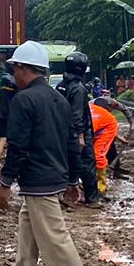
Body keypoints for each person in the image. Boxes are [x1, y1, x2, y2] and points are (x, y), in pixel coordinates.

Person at [0, 41, 101, 266]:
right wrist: (72, 179)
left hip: (37, 182)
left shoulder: (23, 101)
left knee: (57, 243)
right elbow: (71, 142)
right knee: (27, 235)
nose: (13, 74)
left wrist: (5, 183)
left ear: (21, 68)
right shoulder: (58, 99)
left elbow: (18, 147)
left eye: (14, 68)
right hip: (52, 179)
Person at [56, 51, 101, 206]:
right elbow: (77, 115)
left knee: (67, 162)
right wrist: (80, 136)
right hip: (78, 132)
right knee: (87, 164)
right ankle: (92, 198)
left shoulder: (61, 86)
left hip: (63, 130)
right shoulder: (78, 89)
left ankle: (64, 192)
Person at [89, 98, 119, 198]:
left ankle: (101, 184)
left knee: (97, 154)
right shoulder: (82, 110)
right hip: (95, 128)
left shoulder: (96, 117)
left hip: (107, 129)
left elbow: (88, 134)